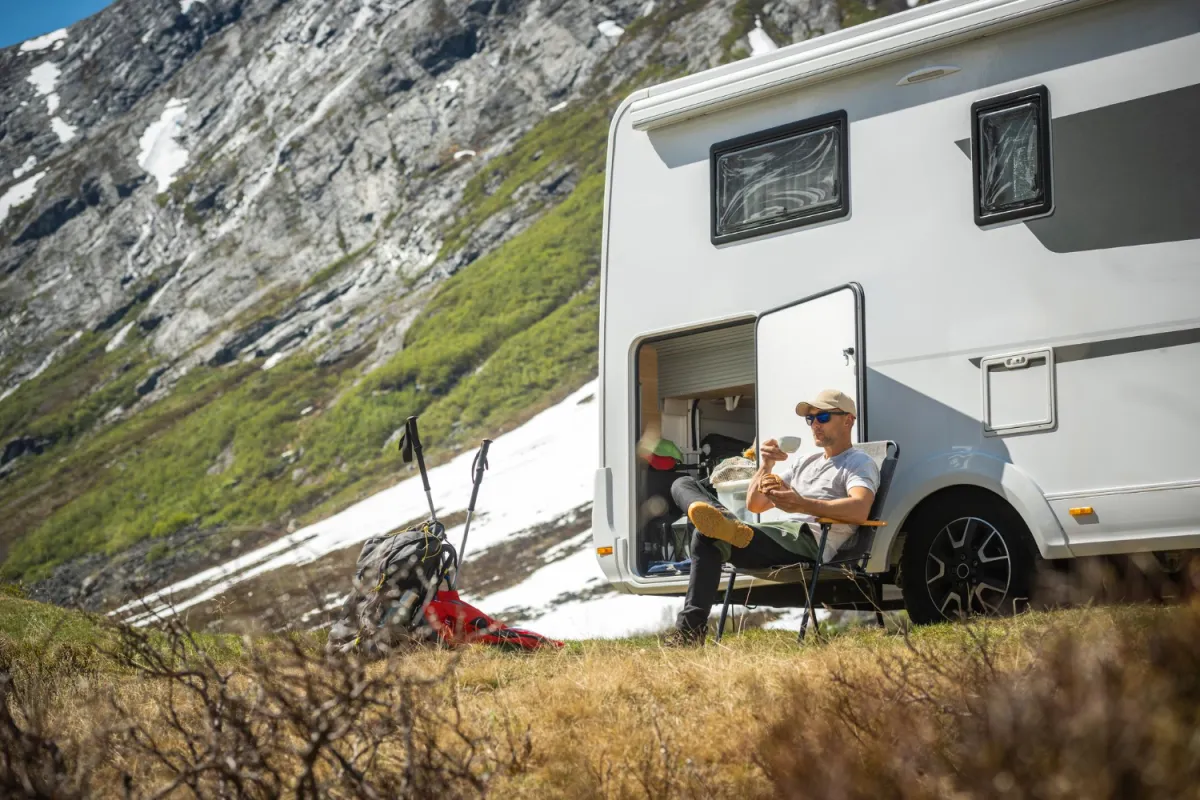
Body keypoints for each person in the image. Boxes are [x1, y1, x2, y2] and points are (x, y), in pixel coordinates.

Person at [665, 389, 879, 645]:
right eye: (810, 419)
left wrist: (803, 504)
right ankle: (721, 519)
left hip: (808, 540)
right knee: (683, 483)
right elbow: (756, 504)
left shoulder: (858, 462)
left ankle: (689, 633)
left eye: (822, 417)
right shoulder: (805, 461)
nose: (814, 425)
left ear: (848, 420)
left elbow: (860, 509)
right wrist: (765, 466)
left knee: (706, 535)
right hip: (779, 533)